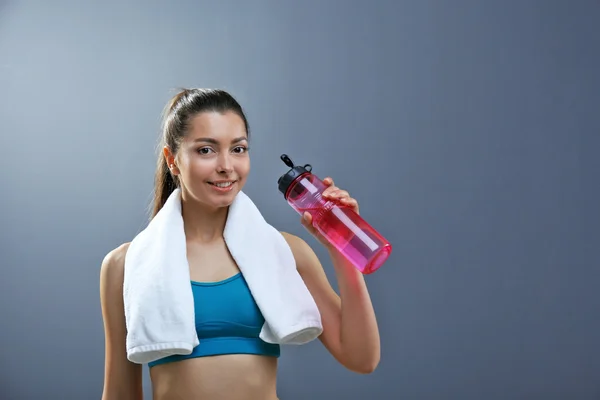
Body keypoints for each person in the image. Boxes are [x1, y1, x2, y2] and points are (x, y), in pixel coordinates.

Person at [99, 88, 381, 400]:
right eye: (206, 150)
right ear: (173, 161)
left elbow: (361, 358)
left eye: (238, 149)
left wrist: (341, 243)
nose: (226, 166)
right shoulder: (127, 264)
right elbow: (120, 393)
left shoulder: (284, 251)